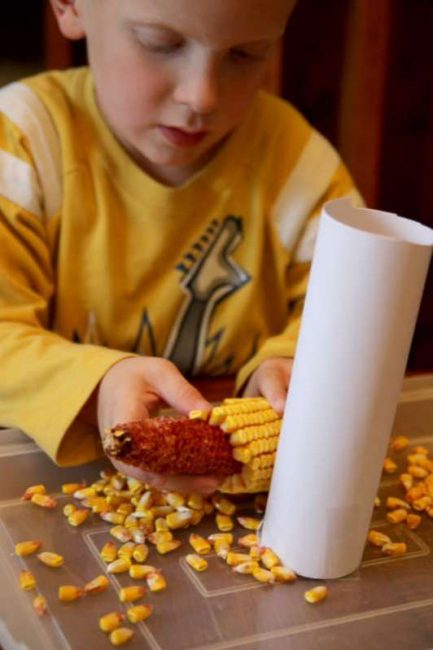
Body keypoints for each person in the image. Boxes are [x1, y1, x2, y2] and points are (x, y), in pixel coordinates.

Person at [0, 0, 361, 491]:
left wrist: (295, 363)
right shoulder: (22, 145)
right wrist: (96, 385)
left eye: (245, 54)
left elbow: (356, 314)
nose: (202, 96)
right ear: (69, 6)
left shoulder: (301, 167)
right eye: (160, 44)